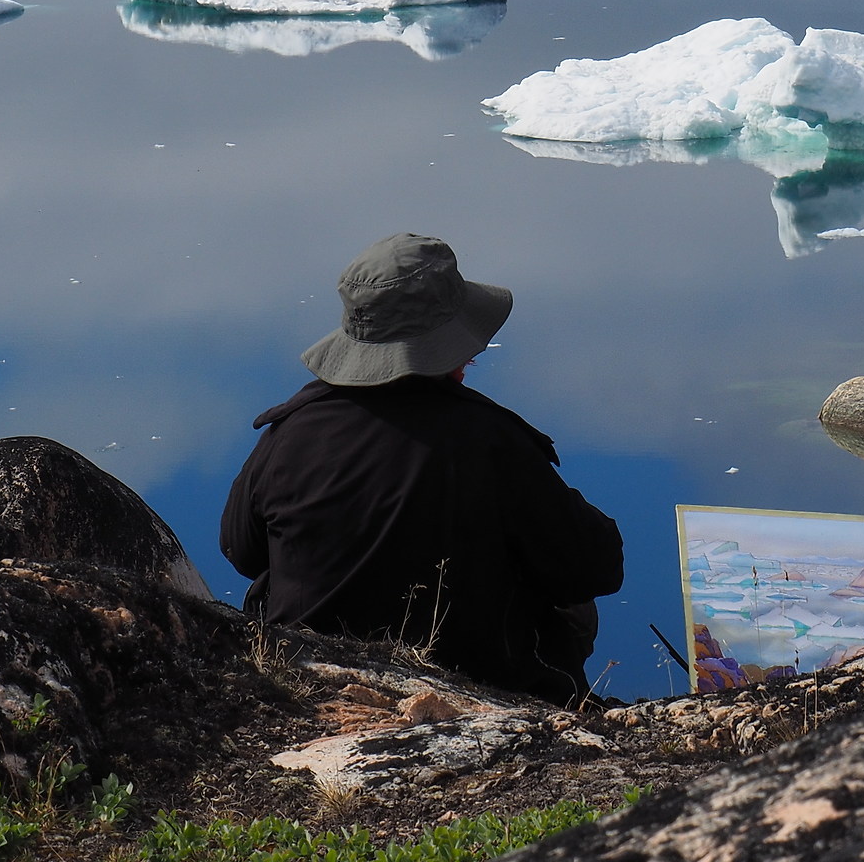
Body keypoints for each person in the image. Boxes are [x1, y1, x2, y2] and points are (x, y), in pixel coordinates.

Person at [221, 233, 623, 704]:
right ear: (446, 348)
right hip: (473, 683)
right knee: (569, 598)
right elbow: (595, 567)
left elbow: (242, 551)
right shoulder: (493, 441)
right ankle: (550, 705)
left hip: (308, 677)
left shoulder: (288, 433)